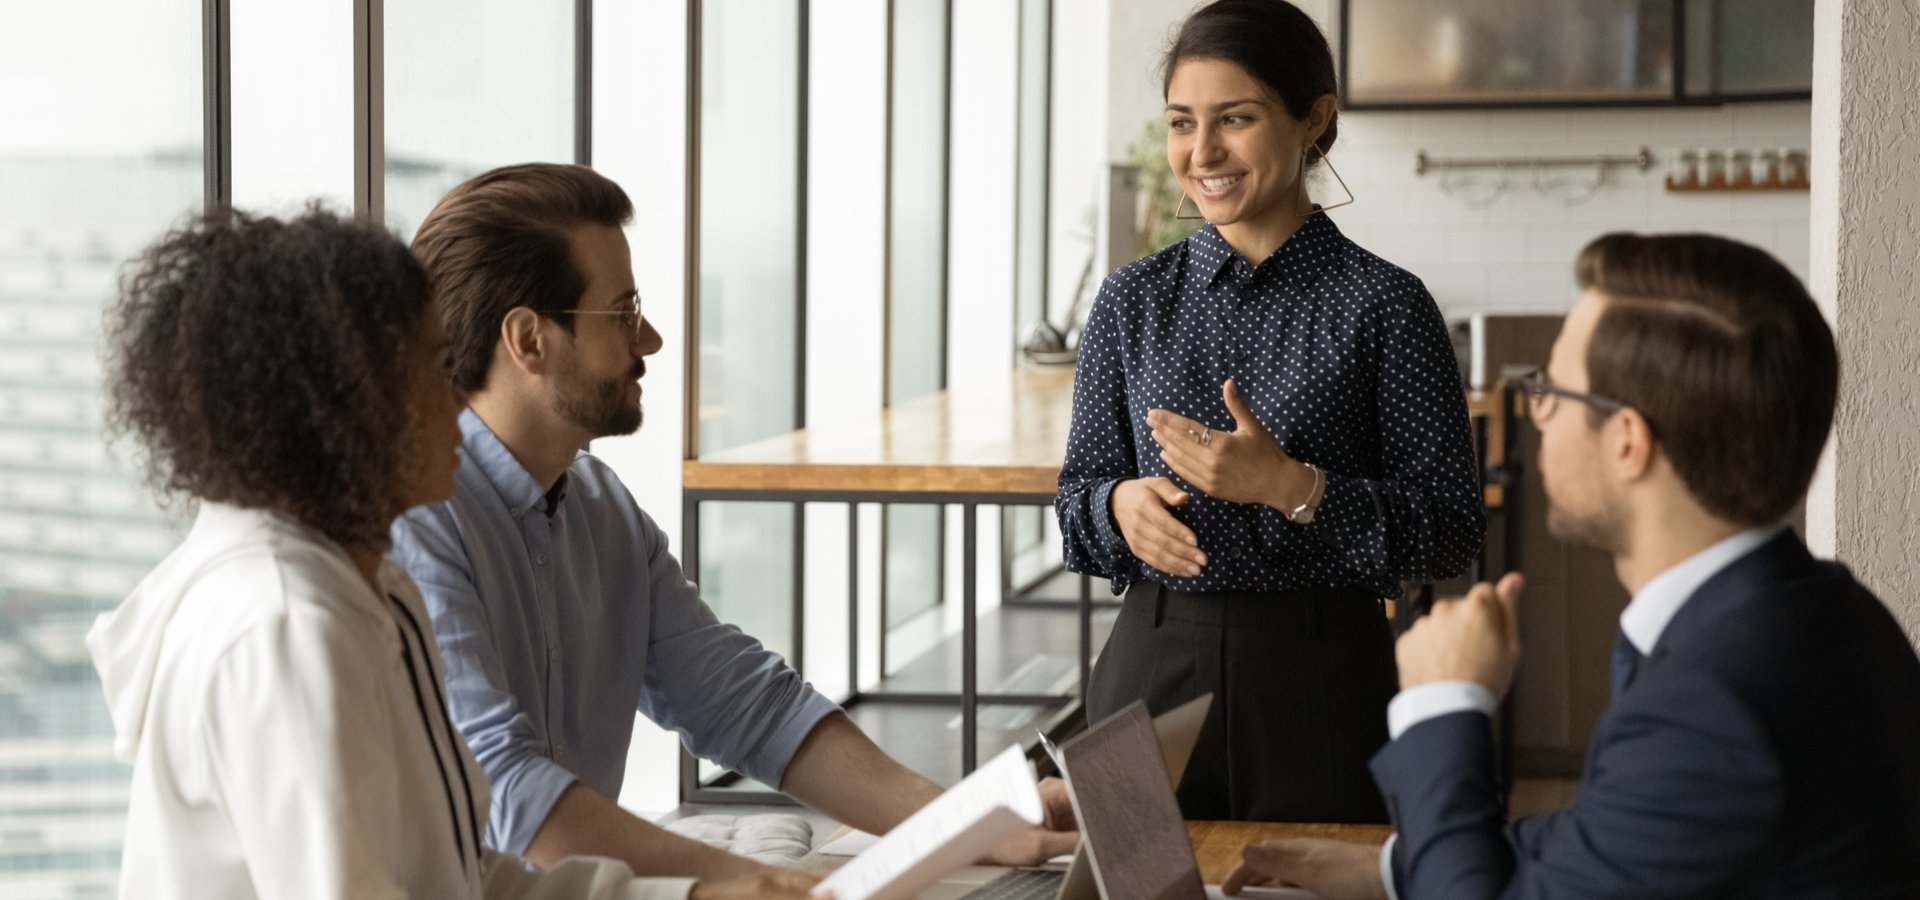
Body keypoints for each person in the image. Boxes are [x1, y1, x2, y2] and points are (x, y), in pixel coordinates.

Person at [87, 207, 814, 899]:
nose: (461, 399)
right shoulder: (284, 627)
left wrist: (711, 892)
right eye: (434, 371)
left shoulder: (372, 590)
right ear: (340, 411)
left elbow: (465, 877)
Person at [390, 163, 1075, 881]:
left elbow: (749, 704)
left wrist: (973, 821)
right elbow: (510, 803)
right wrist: (747, 882)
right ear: (529, 339)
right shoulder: (413, 525)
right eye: (622, 313)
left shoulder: (600, 506)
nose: (650, 339)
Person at [1223, 234, 1920, 898]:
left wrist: (1446, 701)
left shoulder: (1714, 701)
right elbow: (1611, 843)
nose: (1540, 414)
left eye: (1552, 389)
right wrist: (1397, 870)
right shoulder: (1826, 612)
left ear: (1627, 442)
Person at [1054, 0, 1483, 824]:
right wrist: (1116, 506)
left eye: (1236, 119)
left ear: (1313, 119)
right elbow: (1076, 501)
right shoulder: (1130, 302)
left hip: (1322, 677)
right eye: (1182, 122)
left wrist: (1293, 487)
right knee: (1131, 879)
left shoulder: (1387, 306)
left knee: (1314, 880)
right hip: (1150, 661)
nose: (1202, 152)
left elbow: (1450, 530)